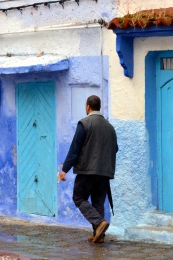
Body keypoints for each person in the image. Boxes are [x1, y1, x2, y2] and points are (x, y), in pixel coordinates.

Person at [60, 95, 118, 244]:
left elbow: (75, 149)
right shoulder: (110, 127)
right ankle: (99, 235)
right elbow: (115, 149)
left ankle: (99, 224)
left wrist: (64, 170)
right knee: (98, 202)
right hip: (105, 172)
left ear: (87, 107)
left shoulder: (84, 124)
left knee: (79, 198)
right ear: (99, 107)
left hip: (87, 170)